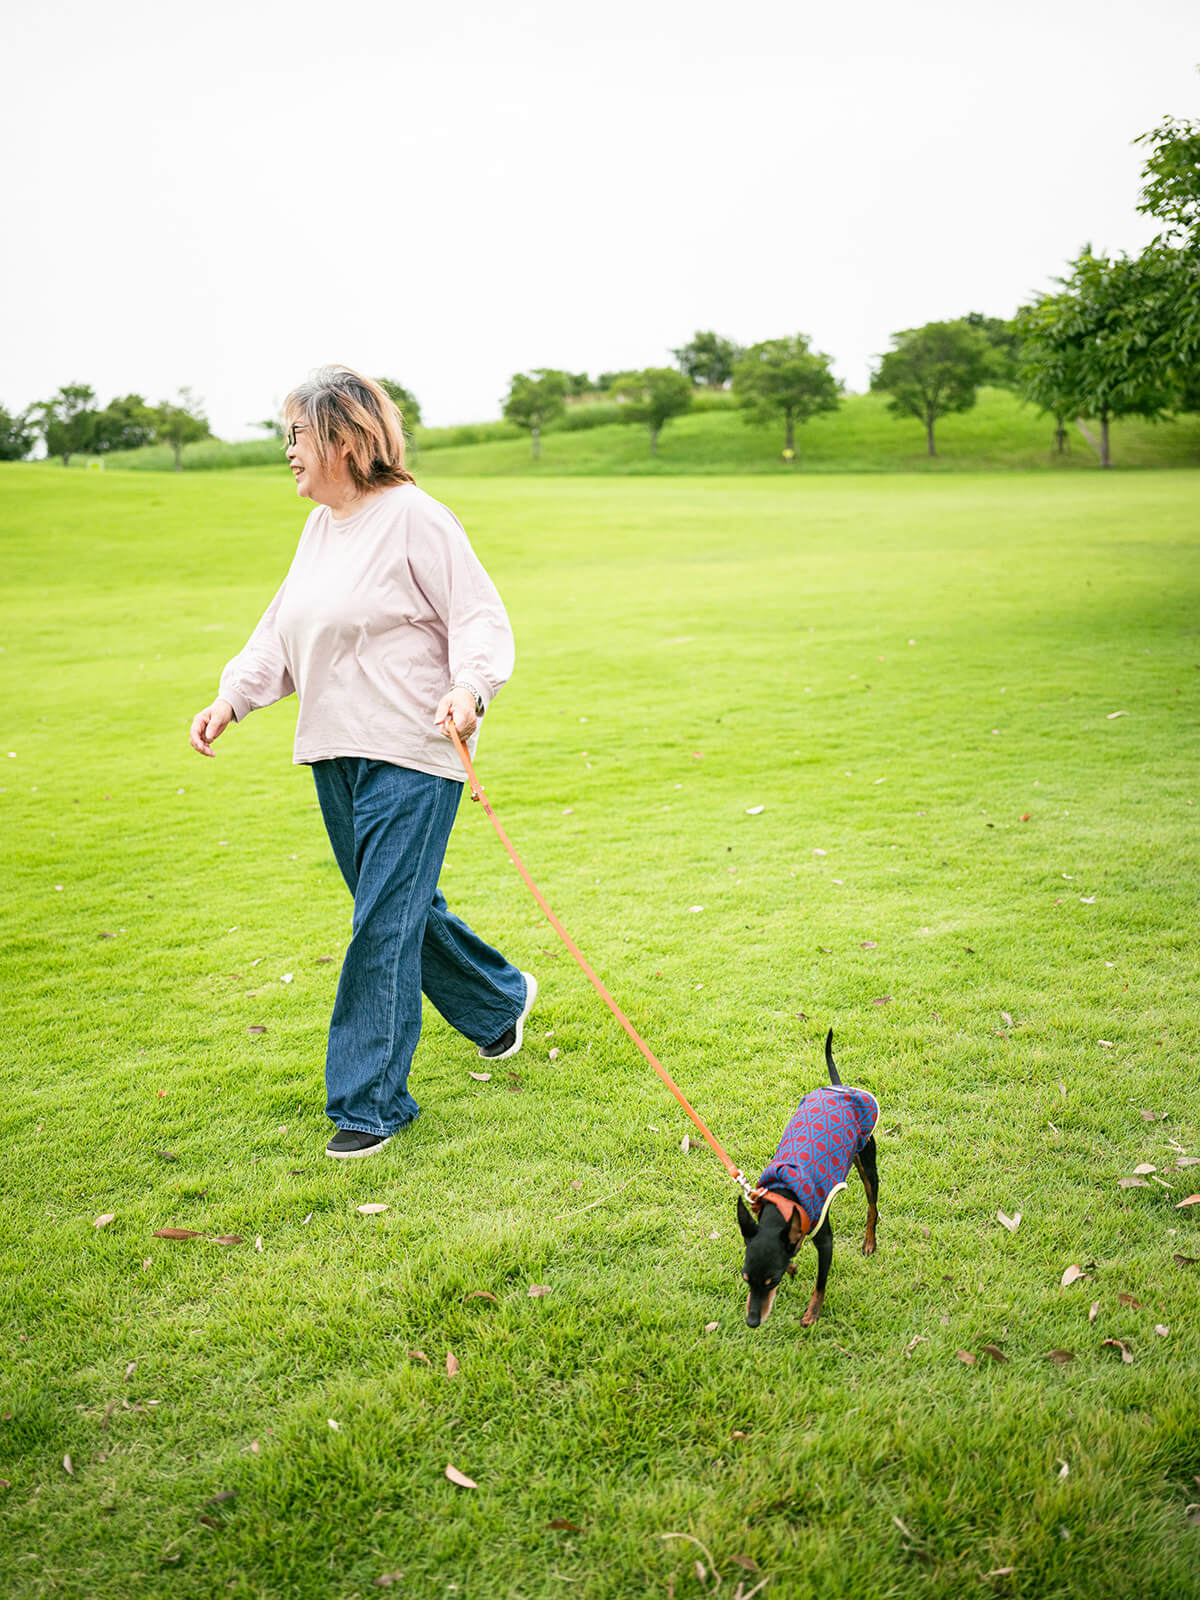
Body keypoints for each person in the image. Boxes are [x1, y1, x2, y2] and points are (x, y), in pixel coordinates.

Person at [189, 365, 535, 1159]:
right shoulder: (319, 532)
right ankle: (498, 1002)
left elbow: (478, 615)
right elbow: (283, 631)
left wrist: (469, 689)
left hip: (414, 750)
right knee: (398, 908)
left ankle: (369, 1103)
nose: (289, 451)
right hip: (335, 752)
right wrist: (232, 699)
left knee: (380, 920)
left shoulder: (416, 519)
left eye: (297, 436)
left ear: (343, 440)